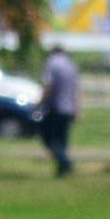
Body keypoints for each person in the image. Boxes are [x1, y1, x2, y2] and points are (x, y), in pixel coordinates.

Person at [39, 43, 80, 175]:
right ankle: (62, 169)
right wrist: (77, 108)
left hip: (55, 107)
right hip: (69, 108)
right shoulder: (71, 65)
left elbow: (48, 85)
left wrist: (41, 102)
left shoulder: (52, 63)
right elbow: (76, 90)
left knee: (49, 138)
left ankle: (66, 163)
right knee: (62, 140)